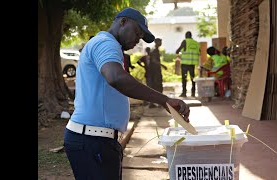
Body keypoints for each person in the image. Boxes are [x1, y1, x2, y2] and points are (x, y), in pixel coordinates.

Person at [63, 7, 190, 180]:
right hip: (92, 140)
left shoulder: (106, 44)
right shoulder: (106, 43)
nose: (137, 40)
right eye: (137, 33)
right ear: (123, 22)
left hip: (96, 139)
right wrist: (164, 100)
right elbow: (115, 78)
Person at [176, 31, 200, 97]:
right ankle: (193, 93)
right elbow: (199, 52)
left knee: (184, 78)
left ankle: (184, 93)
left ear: (186, 36)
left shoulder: (185, 41)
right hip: (192, 64)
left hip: (185, 64)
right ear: (191, 36)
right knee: (193, 78)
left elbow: (177, 51)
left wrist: (181, 52)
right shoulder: (196, 43)